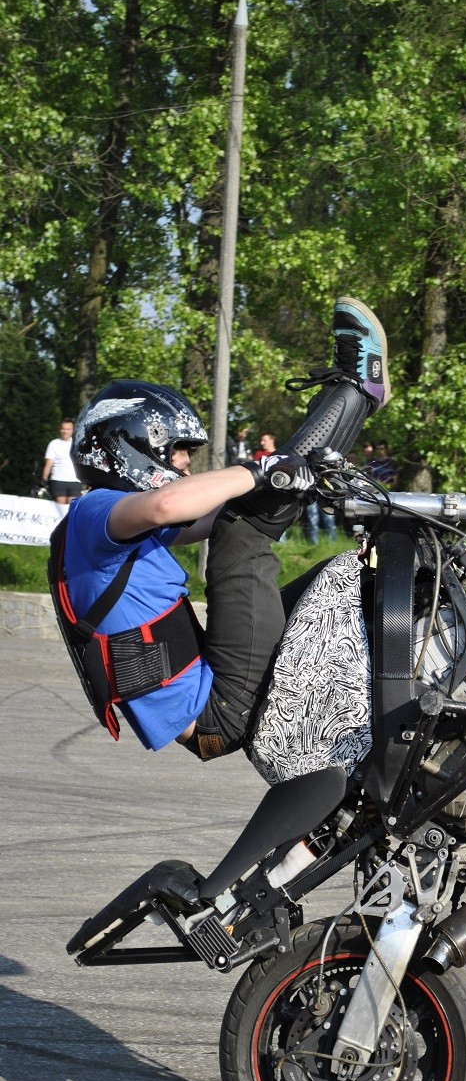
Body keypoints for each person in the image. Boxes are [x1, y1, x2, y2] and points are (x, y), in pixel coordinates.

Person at [55, 296, 389, 762]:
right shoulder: (94, 512)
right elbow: (174, 506)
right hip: (217, 711)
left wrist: (291, 482)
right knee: (242, 526)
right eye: (178, 451)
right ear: (129, 445)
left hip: (217, 695)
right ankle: (356, 391)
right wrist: (261, 469)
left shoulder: (106, 535)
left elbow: (217, 511)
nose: (185, 464)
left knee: (332, 575)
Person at [41, 419, 84, 504]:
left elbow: (82, 462)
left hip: (75, 480)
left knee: (72, 508)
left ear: (72, 430)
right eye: (63, 429)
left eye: (68, 429)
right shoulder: (54, 444)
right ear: (60, 429)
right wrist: (44, 480)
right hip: (58, 480)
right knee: (60, 508)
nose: (65, 431)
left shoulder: (77, 443)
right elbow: (48, 464)